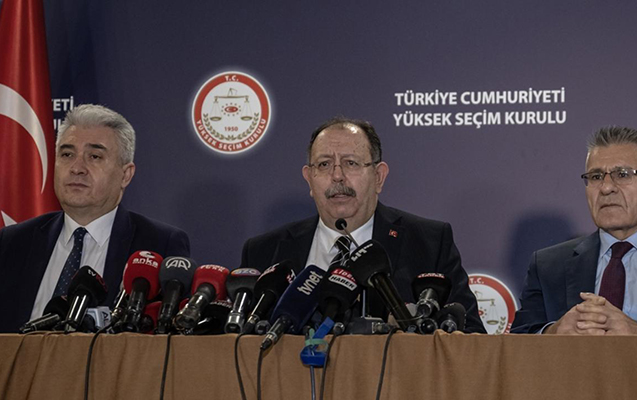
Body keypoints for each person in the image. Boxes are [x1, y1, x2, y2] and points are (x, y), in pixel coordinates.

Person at [240, 117, 485, 333]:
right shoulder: (264, 251)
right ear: (309, 179)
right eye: (324, 164)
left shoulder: (429, 243)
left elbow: (470, 337)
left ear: (378, 177)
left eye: (351, 163)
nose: (337, 176)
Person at [0, 104, 190, 333]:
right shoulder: (12, 242)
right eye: (67, 154)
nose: (77, 168)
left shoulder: (159, 245)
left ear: (125, 175)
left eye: (95, 156)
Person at [512, 126, 637, 334]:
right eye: (596, 177)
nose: (606, 188)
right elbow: (516, 342)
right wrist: (554, 333)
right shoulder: (548, 266)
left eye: (622, 175)